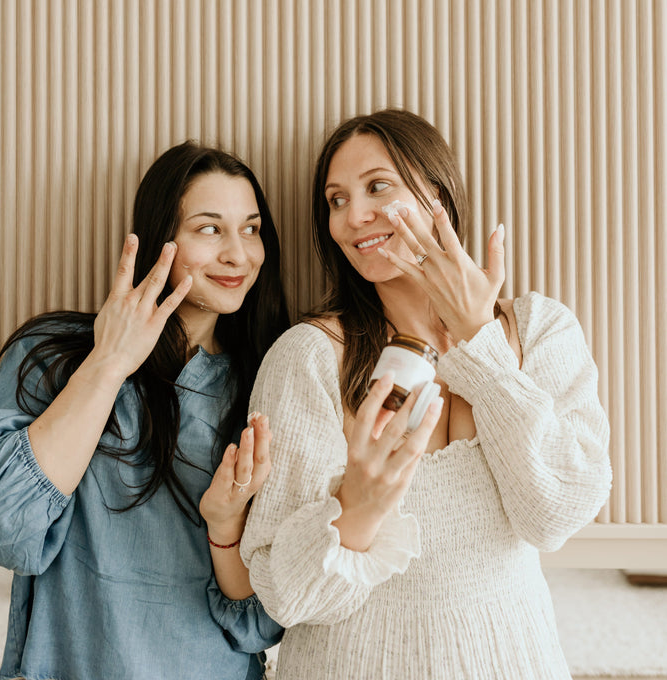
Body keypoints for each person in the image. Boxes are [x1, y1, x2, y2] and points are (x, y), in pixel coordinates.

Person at [241, 108, 612, 679]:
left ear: (437, 195)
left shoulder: (541, 330)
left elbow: (552, 516)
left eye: (377, 187)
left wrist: (480, 342)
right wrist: (358, 509)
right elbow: (285, 596)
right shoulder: (308, 356)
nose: (353, 217)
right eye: (336, 200)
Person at [0, 142, 289, 680]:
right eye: (210, 228)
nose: (239, 255)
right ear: (160, 238)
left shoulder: (268, 385)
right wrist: (108, 364)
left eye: (251, 229)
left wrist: (225, 524)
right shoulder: (51, 355)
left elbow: (262, 621)